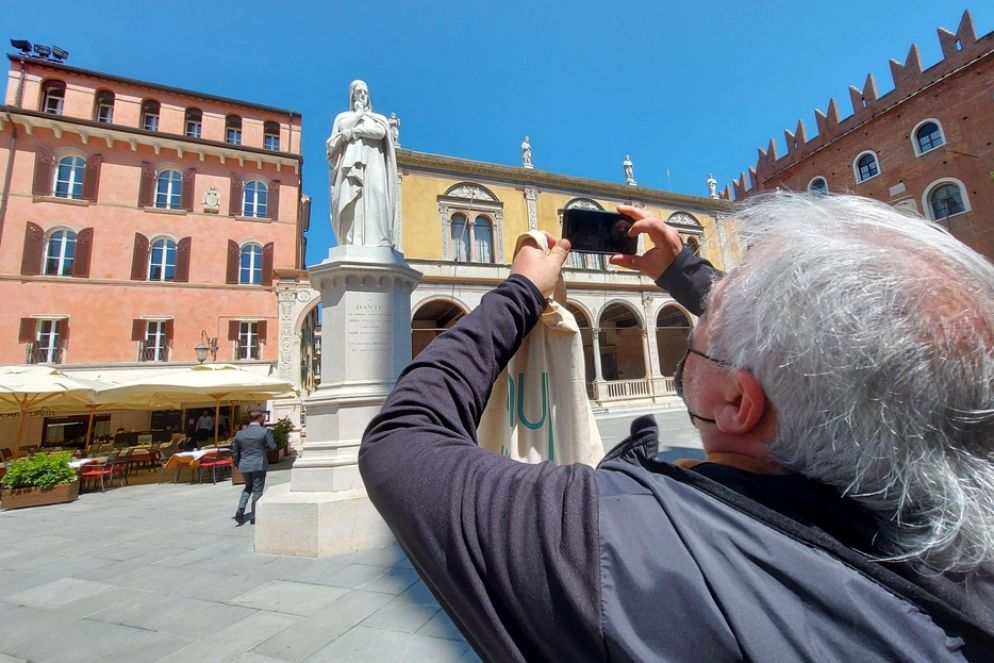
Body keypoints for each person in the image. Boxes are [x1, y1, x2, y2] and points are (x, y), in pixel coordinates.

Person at [360, 194, 994, 661]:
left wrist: (519, 292)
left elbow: (402, 440)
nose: (705, 308)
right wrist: (684, 273)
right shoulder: (960, 536)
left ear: (738, 404)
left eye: (709, 315)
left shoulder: (614, 547)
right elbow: (813, 354)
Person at [326, 80, 398, 248]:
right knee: (352, 198)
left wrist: (354, 132)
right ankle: (352, 241)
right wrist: (358, 115)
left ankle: (379, 240)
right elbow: (338, 134)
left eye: (366, 92)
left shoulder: (377, 119)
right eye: (359, 92)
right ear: (352, 96)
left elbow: (380, 133)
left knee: (377, 195)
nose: (363, 95)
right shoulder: (343, 117)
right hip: (350, 164)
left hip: (374, 163)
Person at [232, 410, 275, 525]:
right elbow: (273, 446)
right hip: (259, 464)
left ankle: (241, 508)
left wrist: (237, 464)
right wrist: (263, 448)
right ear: (260, 419)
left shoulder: (239, 434)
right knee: (257, 490)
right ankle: (255, 514)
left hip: (244, 465)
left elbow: (235, 452)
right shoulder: (264, 432)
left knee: (248, 487)